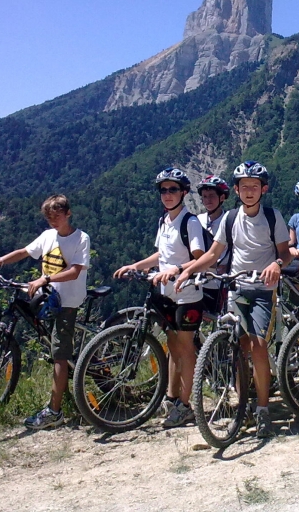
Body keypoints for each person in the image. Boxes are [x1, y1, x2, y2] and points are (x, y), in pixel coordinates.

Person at [175, 161, 292, 438]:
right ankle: (244, 406)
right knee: (239, 349)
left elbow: (286, 253)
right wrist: (187, 270)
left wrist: (276, 264)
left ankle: (263, 411)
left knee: (259, 346)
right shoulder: (229, 219)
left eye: (255, 186)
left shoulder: (273, 217)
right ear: (237, 190)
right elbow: (213, 254)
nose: (249, 191)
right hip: (237, 288)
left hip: (263, 290)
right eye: (244, 187)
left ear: (263, 189)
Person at [0, 195, 90, 430]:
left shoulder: (80, 238)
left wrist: (45, 278)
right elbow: (23, 252)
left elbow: (76, 271)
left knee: (59, 354)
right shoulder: (48, 236)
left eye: (56, 216)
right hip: (48, 299)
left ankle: (54, 412)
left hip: (67, 302)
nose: (52, 221)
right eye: (48, 217)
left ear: (68, 213)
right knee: (55, 345)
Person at [113, 168, 206, 428]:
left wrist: (176, 271)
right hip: (167, 294)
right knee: (173, 348)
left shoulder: (191, 223)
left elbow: (199, 258)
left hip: (187, 295)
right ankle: (172, 398)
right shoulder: (164, 221)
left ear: (184, 192)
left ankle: (187, 406)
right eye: (163, 190)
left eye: (173, 189)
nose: (167, 194)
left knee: (186, 350)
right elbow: (160, 256)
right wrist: (137, 265)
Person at [196, 175, 232, 313]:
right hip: (199, 280)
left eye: (211, 196)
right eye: (204, 196)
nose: (207, 200)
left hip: (221, 281)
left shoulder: (230, 221)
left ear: (222, 198)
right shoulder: (198, 220)